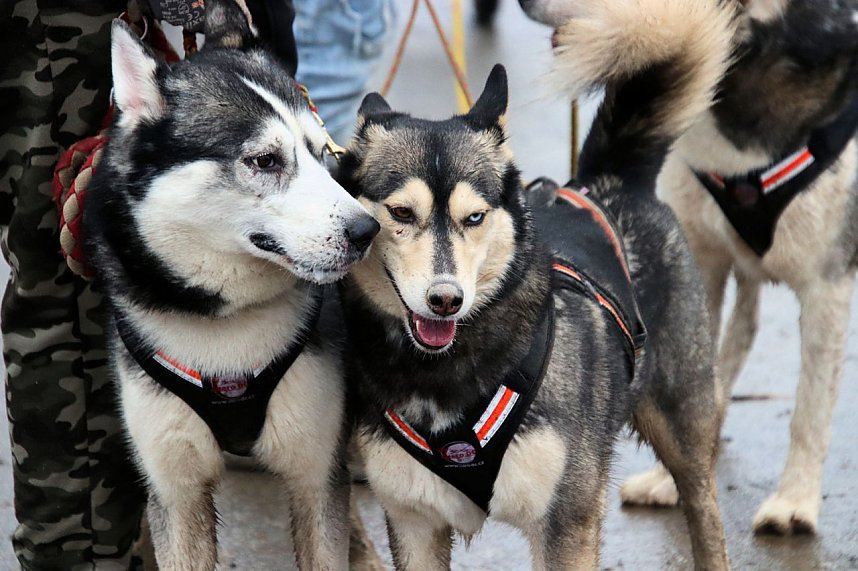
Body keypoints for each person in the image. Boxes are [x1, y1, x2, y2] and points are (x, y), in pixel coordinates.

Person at [0, 1, 392, 568]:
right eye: (265, 162)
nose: (352, 216)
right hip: (52, 22)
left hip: (285, 324)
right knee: (57, 291)